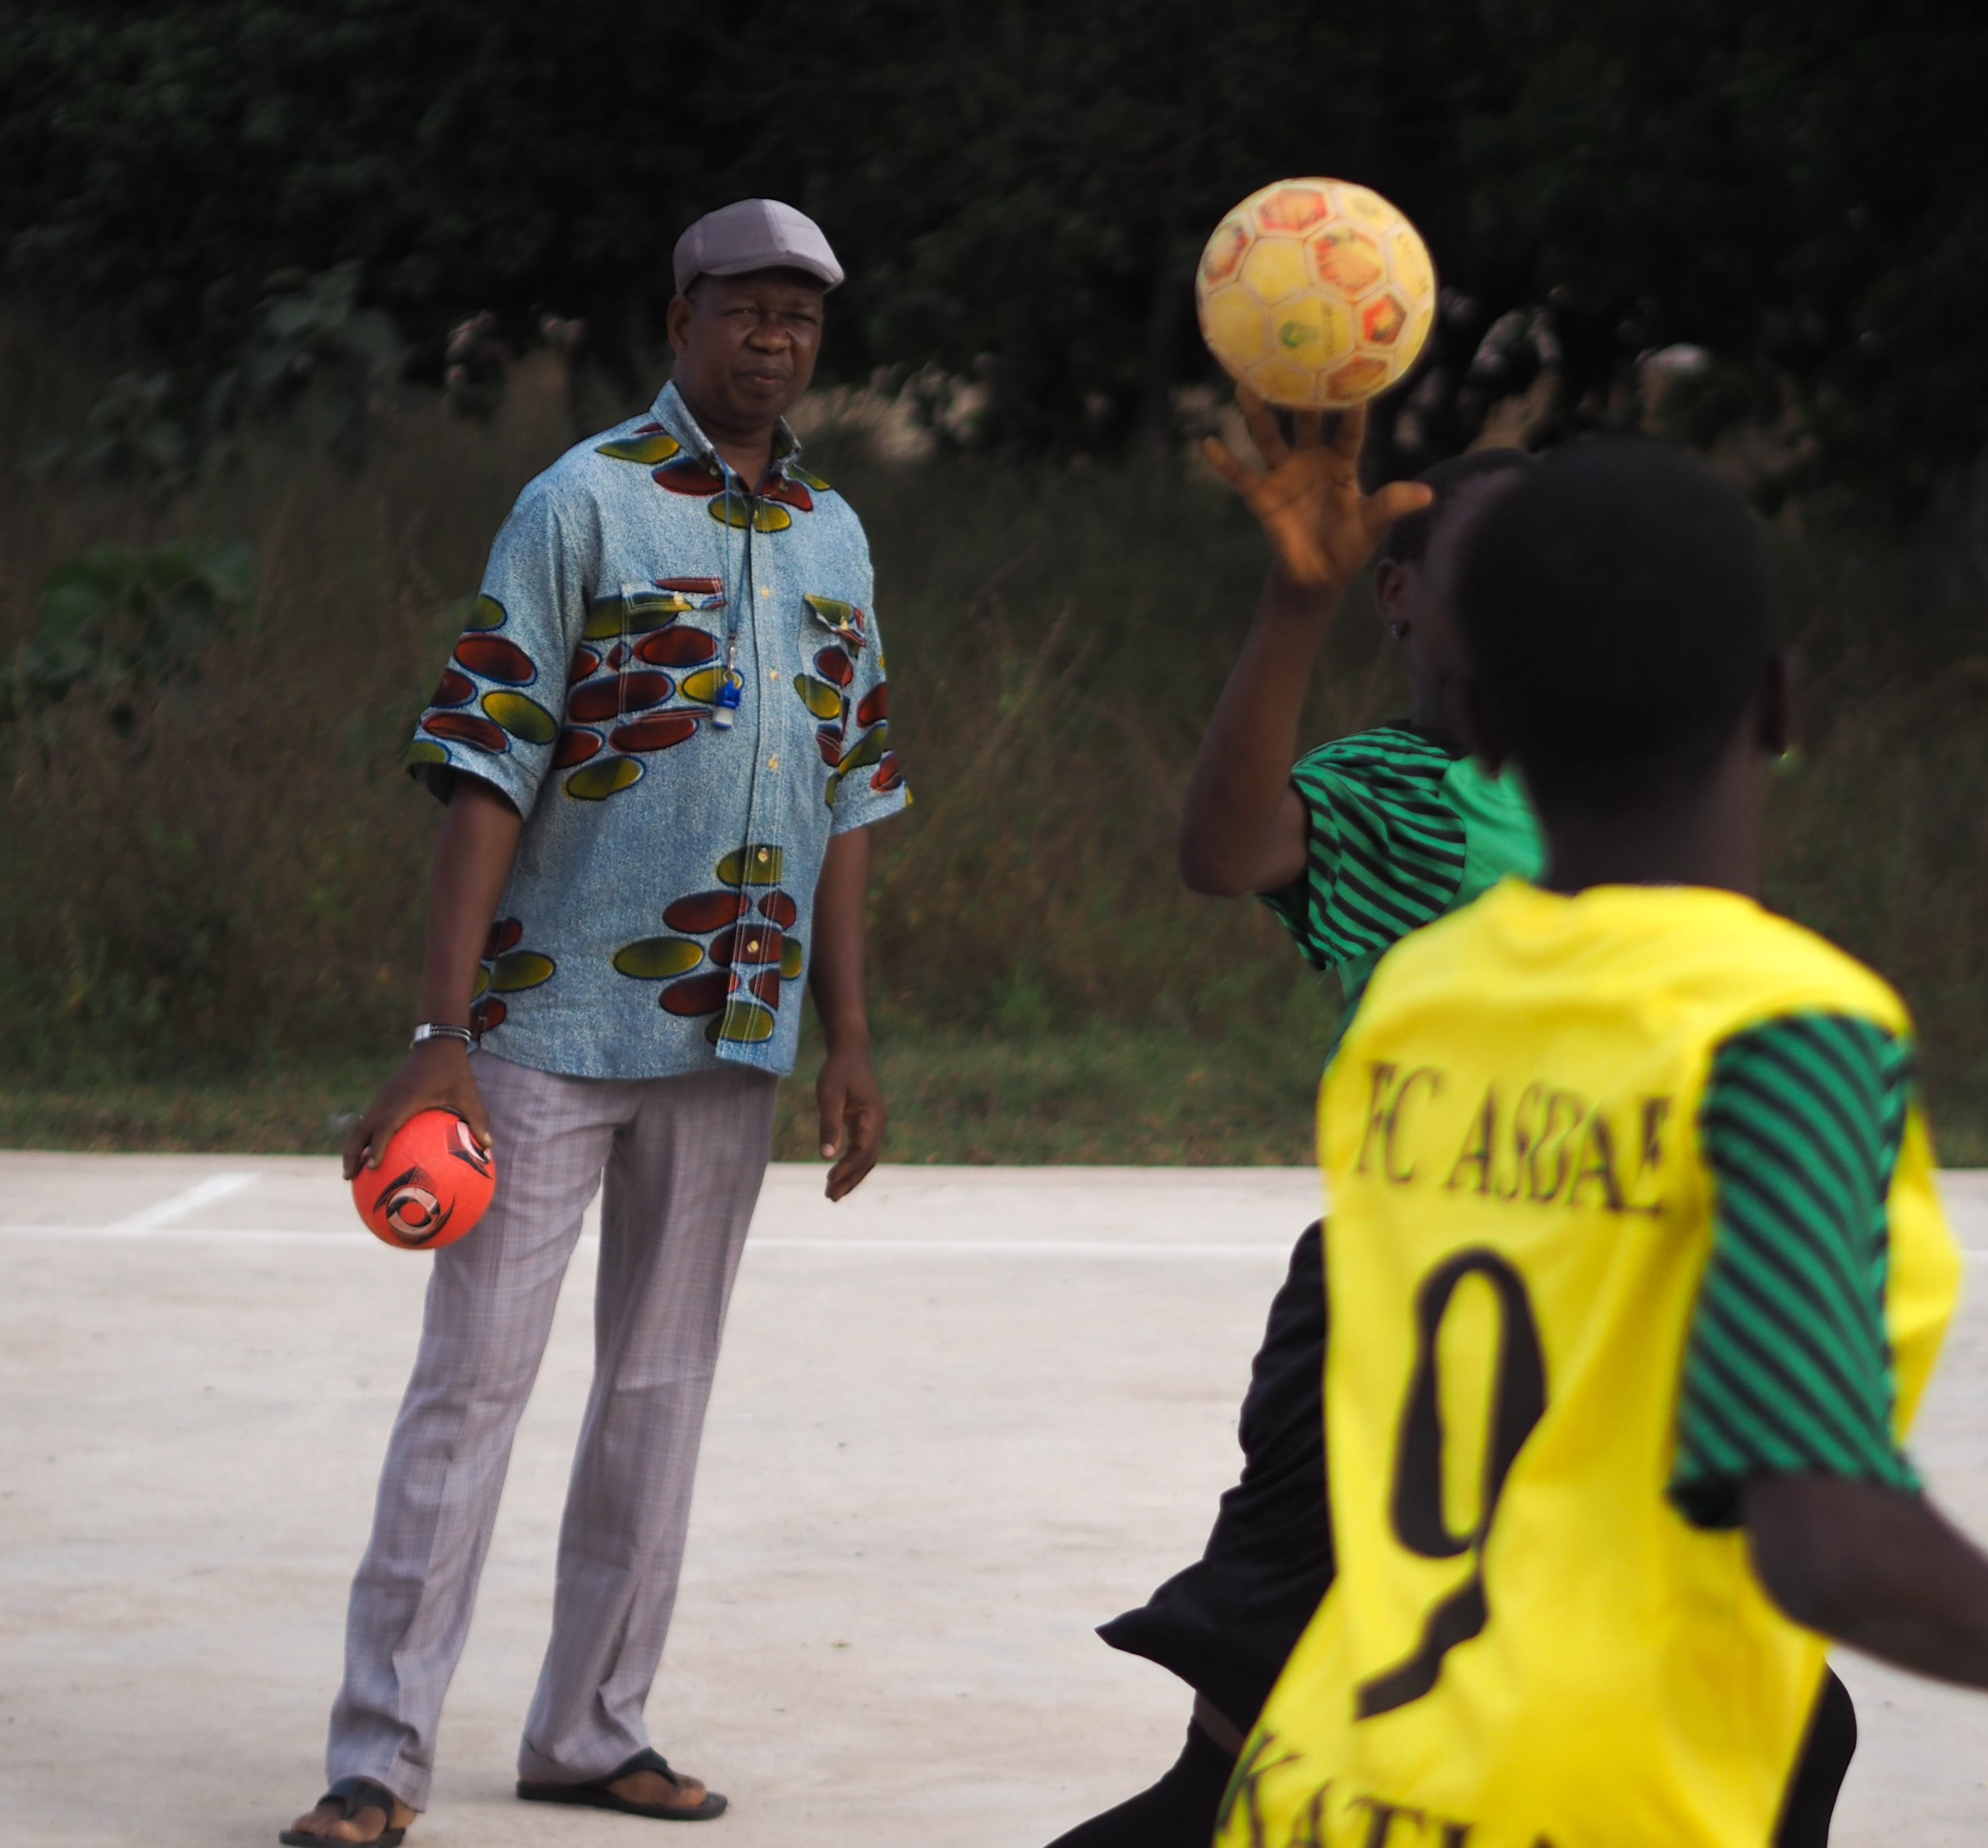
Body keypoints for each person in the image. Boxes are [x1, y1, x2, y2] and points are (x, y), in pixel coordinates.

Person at [1214, 440, 1988, 1847]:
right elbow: (1823, 1532)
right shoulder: (1785, 1035)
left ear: (1489, 724)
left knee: (1809, 1735)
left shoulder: (1413, 1007)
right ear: (1780, 699)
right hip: (1585, 1807)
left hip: (1324, 1786)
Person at [1052, 399, 1862, 1848]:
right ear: (1400, 594)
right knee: (1229, 1779)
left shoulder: (1625, 778)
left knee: (1786, 1729)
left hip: (1614, 1305)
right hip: (1403, 1307)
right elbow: (1226, 848)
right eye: (1495, 564)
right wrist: (1286, 610)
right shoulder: (1395, 796)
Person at [282, 199, 913, 1848]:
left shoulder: (839, 538)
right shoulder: (583, 504)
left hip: (738, 1032)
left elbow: (852, 800)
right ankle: (379, 1757)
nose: (776, 339)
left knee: (662, 1390)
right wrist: (440, 1031)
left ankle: (591, 1726)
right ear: (681, 317)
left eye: (803, 316)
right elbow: (486, 767)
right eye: (747, 309)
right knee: (472, 1387)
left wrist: (848, 1038)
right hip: (547, 1019)